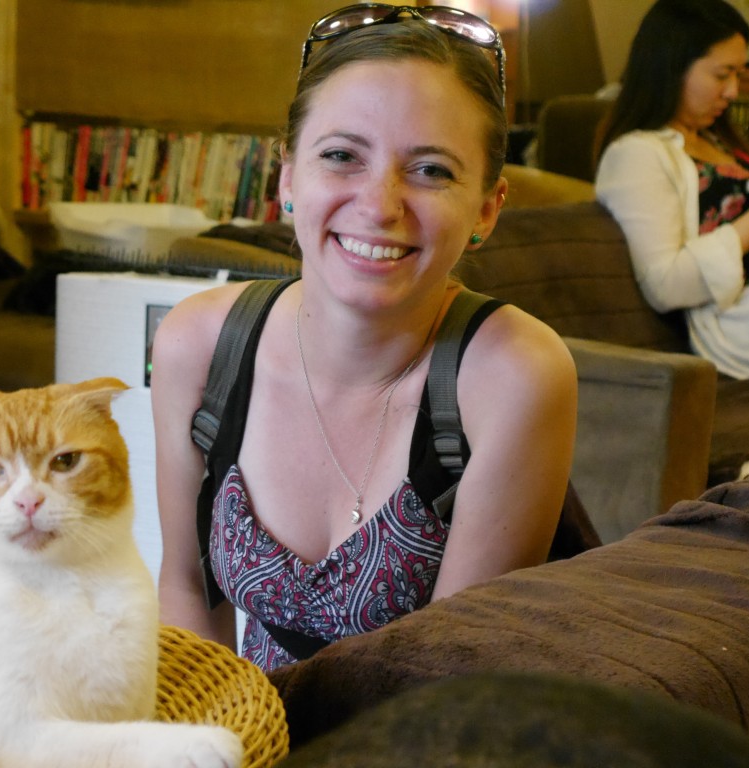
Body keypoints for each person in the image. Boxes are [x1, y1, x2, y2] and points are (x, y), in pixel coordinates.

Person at [150, 4, 578, 672]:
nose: (379, 206)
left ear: (487, 210)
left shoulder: (512, 373)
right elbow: (184, 589)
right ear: (289, 179)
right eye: (343, 156)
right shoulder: (201, 348)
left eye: (431, 170)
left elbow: (451, 676)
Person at [595, 0, 749, 380]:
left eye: (739, 74)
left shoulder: (718, 140)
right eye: (721, 75)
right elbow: (665, 285)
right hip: (736, 316)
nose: (733, 92)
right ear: (672, 67)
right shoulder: (637, 154)